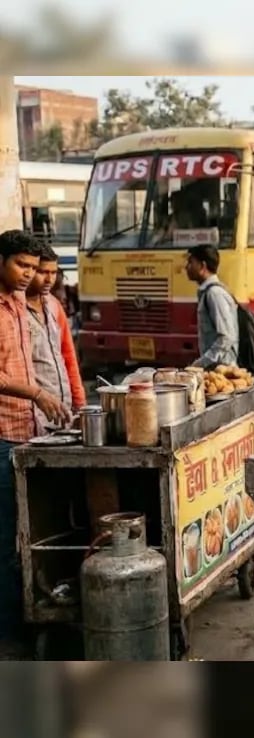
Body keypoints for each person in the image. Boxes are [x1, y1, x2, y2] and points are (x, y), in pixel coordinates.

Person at [0, 230, 71, 652]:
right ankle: (11, 637)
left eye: (33, 267)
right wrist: (38, 394)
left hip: (32, 435)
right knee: (8, 539)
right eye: (20, 266)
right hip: (3, 435)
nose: (28, 274)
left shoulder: (20, 306)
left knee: (34, 533)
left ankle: (30, 620)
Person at [25, 246, 85, 428]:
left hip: (62, 409)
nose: (49, 279)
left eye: (53, 272)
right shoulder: (14, 309)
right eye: (43, 272)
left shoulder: (53, 305)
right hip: (32, 411)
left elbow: (68, 356)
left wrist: (79, 402)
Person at [185, 244, 239, 369]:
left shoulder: (214, 294)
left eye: (191, 262)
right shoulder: (207, 292)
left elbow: (226, 337)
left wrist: (201, 363)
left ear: (202, 266)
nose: (186, 267)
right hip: (214, 368)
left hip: (222, 370)